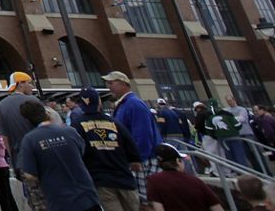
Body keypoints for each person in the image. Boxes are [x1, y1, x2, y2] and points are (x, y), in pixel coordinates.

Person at [15, 100, 100, 211]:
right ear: (46, 113)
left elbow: (30, 175)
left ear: (27, 120)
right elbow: (82, 153)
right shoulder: (69, 131)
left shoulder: (30, 140)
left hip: (59, 201)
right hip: (87, 197)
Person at [69, 86, 141, 211]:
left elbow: (74, 155)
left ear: (81, 104)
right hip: (124, 179)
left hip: (100, 181)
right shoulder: (115, 123)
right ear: (99, 102)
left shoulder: (76, 126)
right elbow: (134, 155)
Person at [103, 70, 160, 199]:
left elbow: (143, 134)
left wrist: (138, 158)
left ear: (123, 84)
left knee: (145, 199)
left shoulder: (134, 104)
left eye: (111, 83)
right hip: (132, 159)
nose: (108, 86)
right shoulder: (124, 104)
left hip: (143, 160)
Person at [146, 143, 223, 211]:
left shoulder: (153, 181)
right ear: (178, 161)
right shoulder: (195, 181)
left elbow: (158, 208)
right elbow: (216, 207)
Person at [0, 72, 37, 181]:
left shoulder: (2, 105)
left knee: (33, 194)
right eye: (29, 83)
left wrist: (13, 162)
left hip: (21, 160)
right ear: (20, 84)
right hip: (40, 155)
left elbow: (5, 138)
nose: (32, 87)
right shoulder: (33, 100)